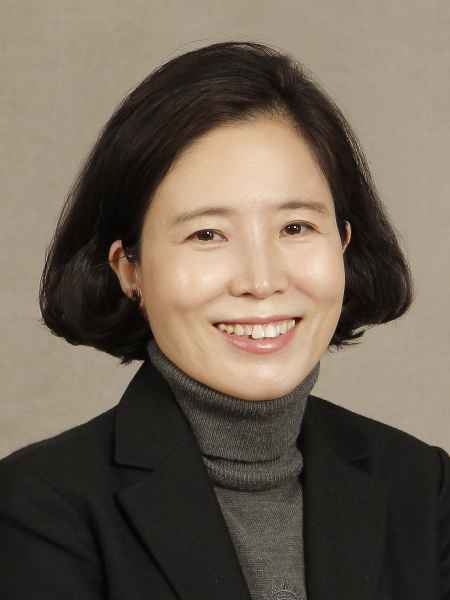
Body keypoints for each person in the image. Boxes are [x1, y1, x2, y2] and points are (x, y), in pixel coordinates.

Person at [0, 40, 449, 600]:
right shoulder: (36, 510)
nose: (261, 280)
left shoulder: (422, 487)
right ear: (129, 269)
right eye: (207, 234)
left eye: (296, 227)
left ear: (343, 242)